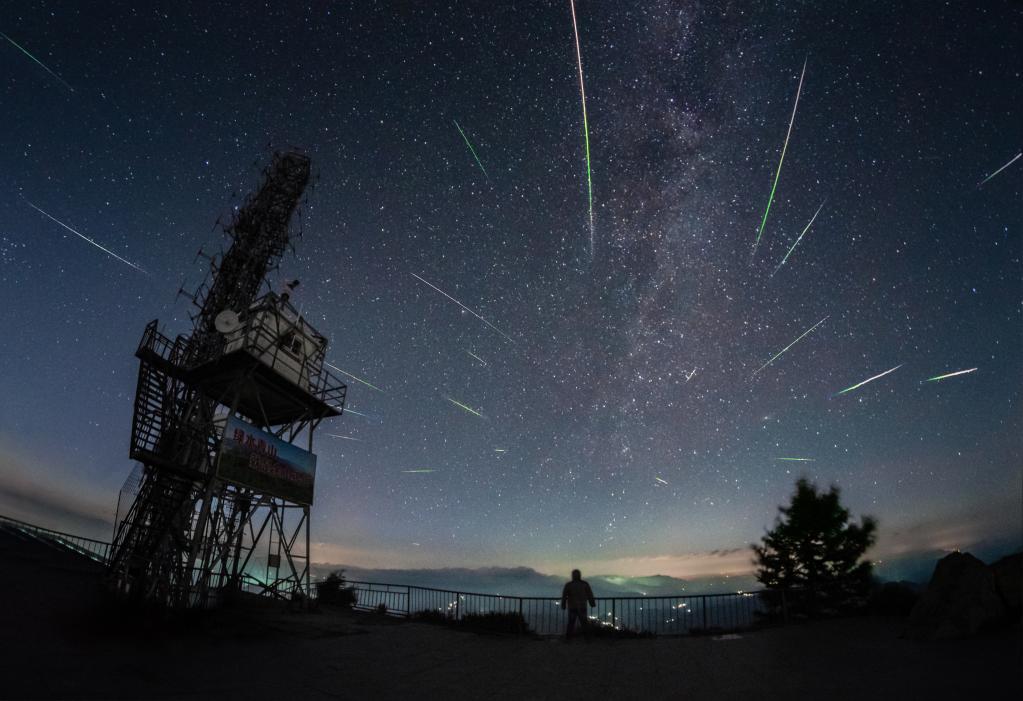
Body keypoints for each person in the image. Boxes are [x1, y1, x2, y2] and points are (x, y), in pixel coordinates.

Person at [561, 569, 596, 638]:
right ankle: (587, 638)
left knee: (571, 623)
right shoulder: (584, 584)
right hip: (582, 606)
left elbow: (564, 595)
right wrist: (592, 603)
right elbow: (589, 594)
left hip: (572, 606)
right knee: (584, 623)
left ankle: (568, 638)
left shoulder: (569, 585)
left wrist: (563, 604)